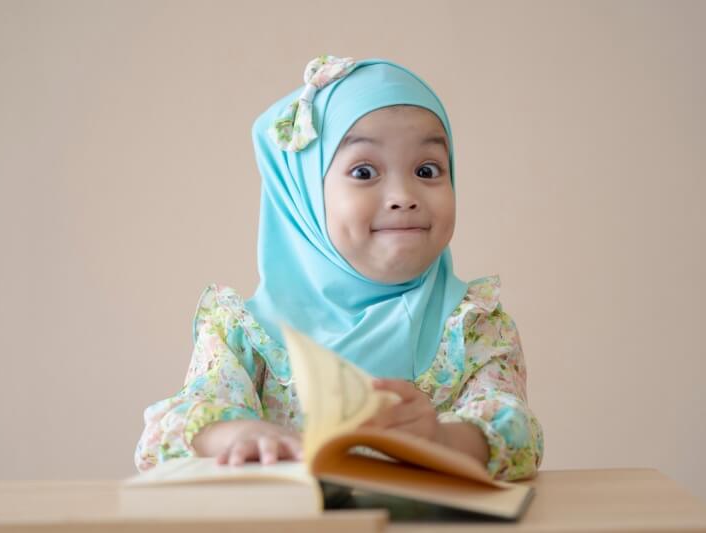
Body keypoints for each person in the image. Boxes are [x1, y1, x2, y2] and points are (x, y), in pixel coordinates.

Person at [134, 55, 543, 481]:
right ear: (304, 197)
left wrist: (441, 440)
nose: (403, 195)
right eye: (364, 171)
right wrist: (237, 436)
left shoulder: (472, 326)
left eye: (427, 170)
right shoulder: (247, 335)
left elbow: (518, 434)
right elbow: (170, 429)